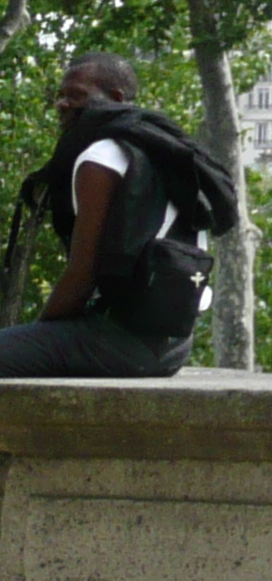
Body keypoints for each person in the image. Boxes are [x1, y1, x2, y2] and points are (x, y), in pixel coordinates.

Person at [0, 55, 210, 377]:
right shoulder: (160, 152)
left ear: (115, 100)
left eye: (76, 95)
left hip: (122, 341)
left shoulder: (100, 159)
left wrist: (39, 336)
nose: (62, 104)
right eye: (62, 95)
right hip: (174, 347)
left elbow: (82, 275)